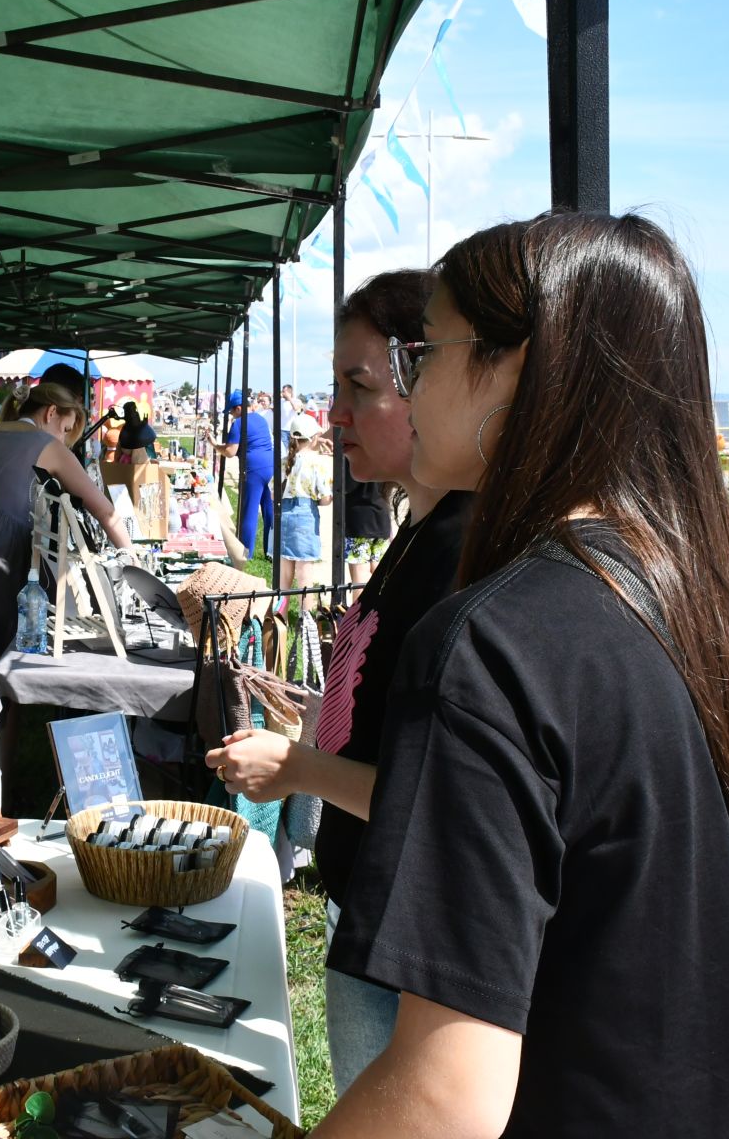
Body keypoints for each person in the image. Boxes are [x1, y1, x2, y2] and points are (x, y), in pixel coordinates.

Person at [292, 214, 729, 1136]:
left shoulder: (493, 640)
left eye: (425, 350)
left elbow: (445, 1095)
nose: (410, 385)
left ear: (518, 368)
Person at [206, 271, 465, 1091]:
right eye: (334, 389)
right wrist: (313, 712)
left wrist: (296, 769)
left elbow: (440, 793)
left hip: (405, 932)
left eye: (359, 387)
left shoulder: (460, 558)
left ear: (429, 383)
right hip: (369, 906)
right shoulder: (417, 533)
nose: (336, 416)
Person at [0, 381, 130, 761]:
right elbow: (105, 511)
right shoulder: (48, 448)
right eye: (66, 429)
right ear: (51, 414)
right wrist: (132, 559)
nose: (64, 438)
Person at [214, 390, 275, 556]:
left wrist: (215, 445)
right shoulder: (261, 419)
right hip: (271, 465)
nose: (232, 415)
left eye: (232, 411)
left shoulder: (239, 423)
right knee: (269, 510)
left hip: (253, 468)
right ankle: (271, 551)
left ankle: (245, 552)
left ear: (239, 408)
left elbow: (230, 451)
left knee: (249, 511)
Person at [277, 413, 333, 591]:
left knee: (284, 575)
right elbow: (324, 499)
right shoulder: (316, 463)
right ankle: (305, 615)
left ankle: (280, 615)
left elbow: (273, 494)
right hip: (305, 517)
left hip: (284, 515)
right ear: (314, 437)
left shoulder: (285, 461)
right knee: (305, 574)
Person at [342, 473, 391, 581]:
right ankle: (379, 598)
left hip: (360, 521)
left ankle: (362, 598)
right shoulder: (384, 457)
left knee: (360, 572)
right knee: (379, 571)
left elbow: (345, 486)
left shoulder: (354, 456)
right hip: (382, 516)